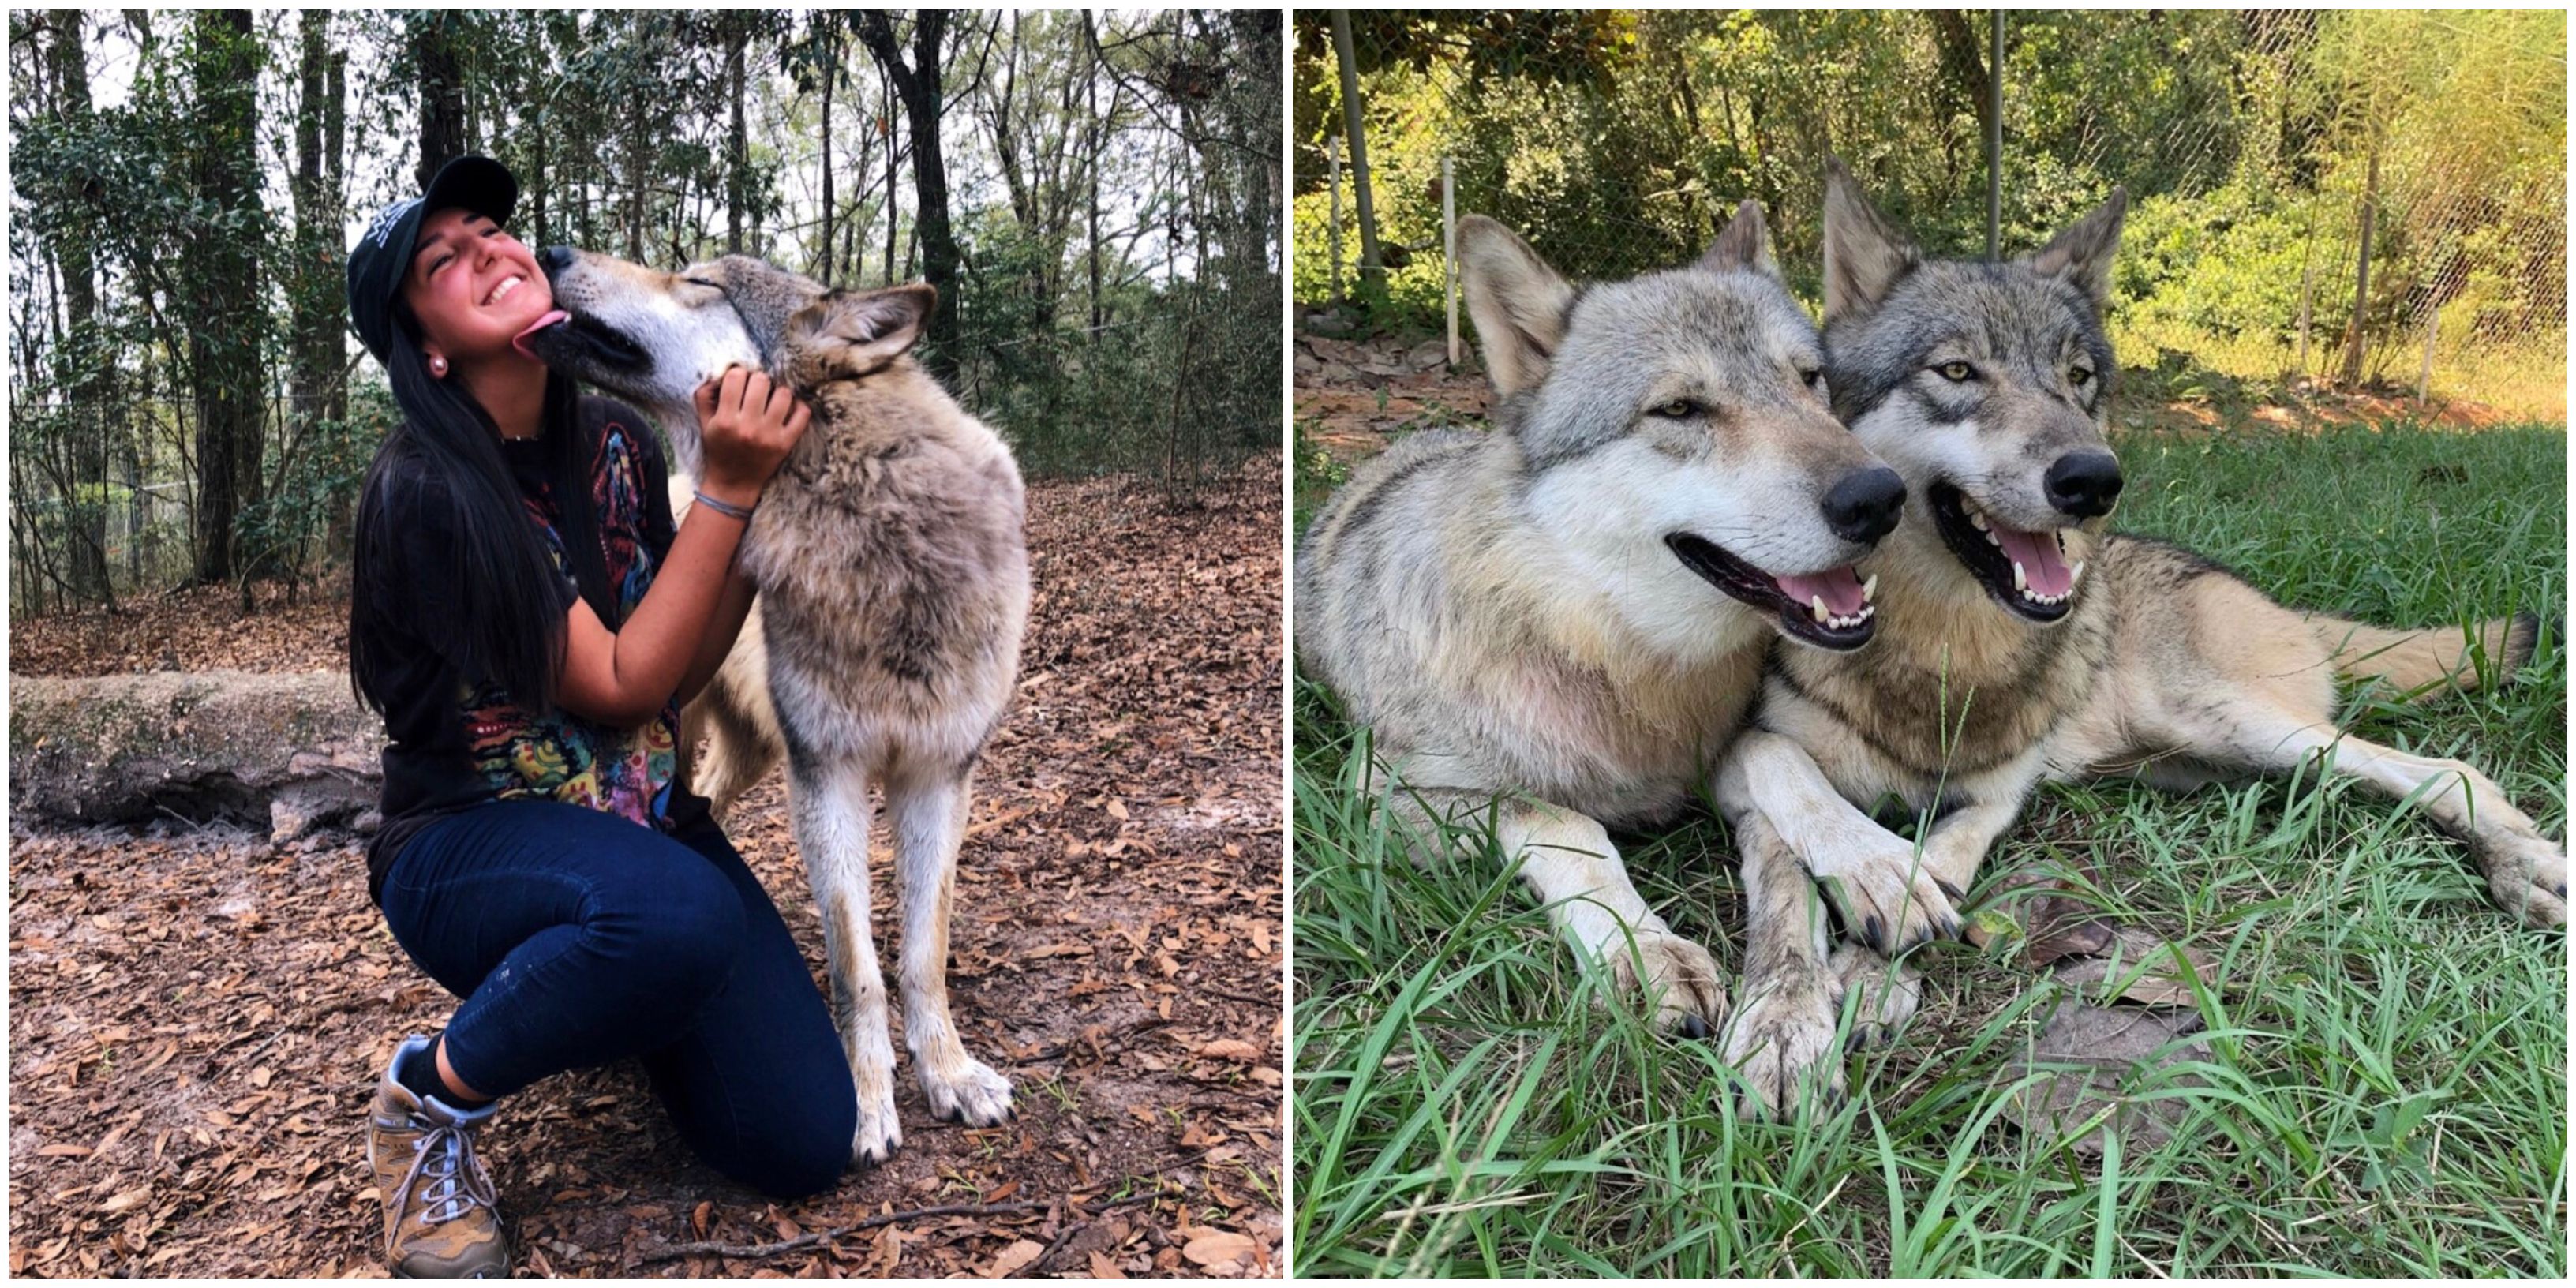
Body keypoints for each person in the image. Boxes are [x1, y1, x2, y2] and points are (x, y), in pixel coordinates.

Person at [343, 155, 849, 1279]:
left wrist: (756, 516)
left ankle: (612, 989)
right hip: (471, 842)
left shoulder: (614, 442)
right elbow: (617, 684)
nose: (490, 253)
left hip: (630, 827)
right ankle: (427, 1105)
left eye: (491, 233)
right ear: (426, 344)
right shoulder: (432, 491)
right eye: (445, 261)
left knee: (801, 1140)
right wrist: (727, 486)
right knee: (675, 916)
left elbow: (673, 668)